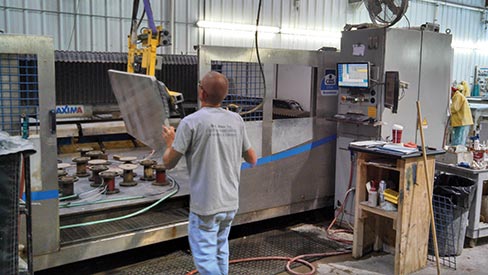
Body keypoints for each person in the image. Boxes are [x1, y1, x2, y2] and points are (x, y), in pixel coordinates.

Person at [162, 71, 257, 275]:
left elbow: (168, 162)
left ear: (201, 93)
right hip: (230, 203)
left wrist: (170, 141)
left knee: (205, 258)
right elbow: (252, 159)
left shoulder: (191, 122)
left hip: (206, 206)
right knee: (220, 250)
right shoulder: (236, 120)